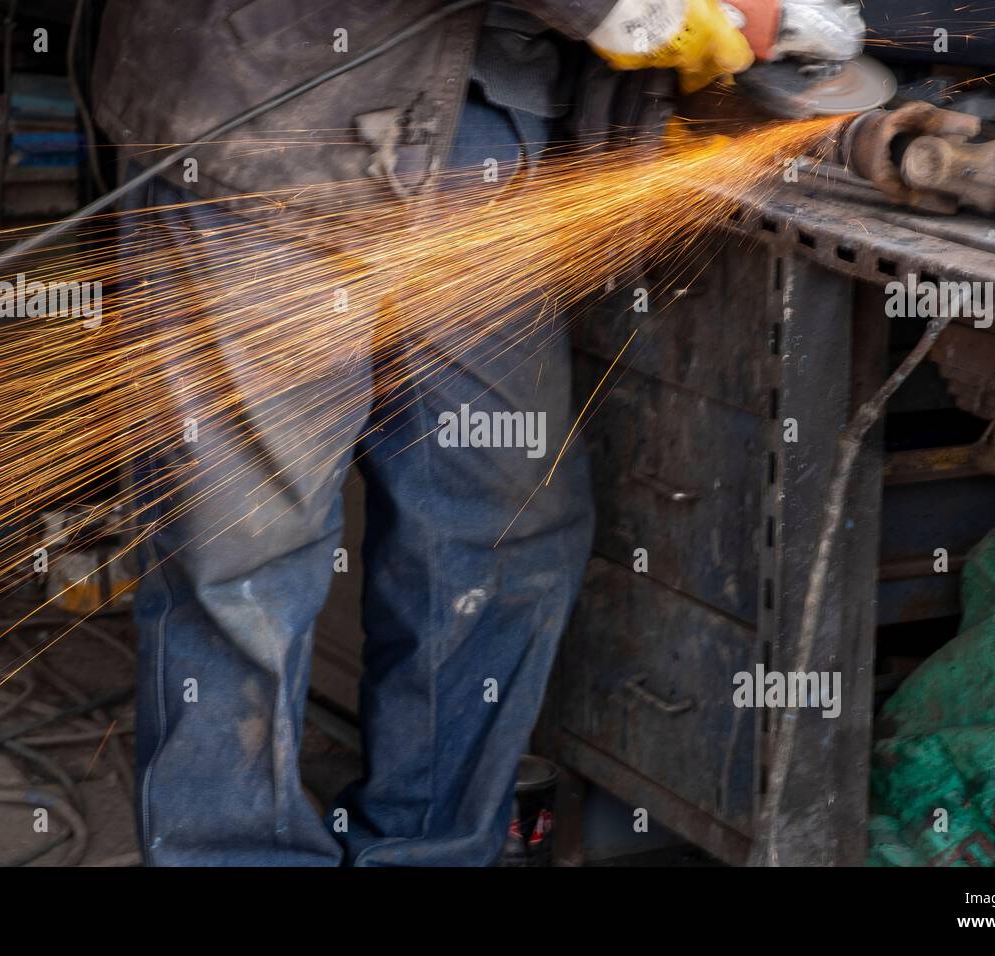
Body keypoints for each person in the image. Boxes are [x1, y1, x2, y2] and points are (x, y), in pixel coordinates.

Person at [91, 0, 863, 866]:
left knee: (500, 532)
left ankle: (432, 850)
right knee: (241, 546)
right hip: (278, 113)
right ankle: (230, 857)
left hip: (494, 127)